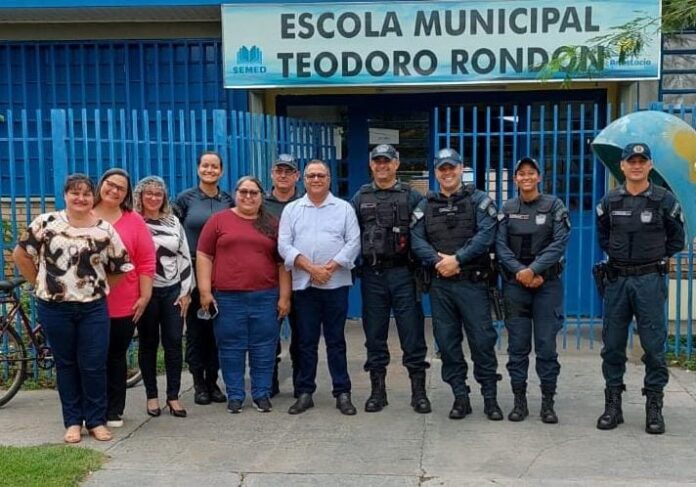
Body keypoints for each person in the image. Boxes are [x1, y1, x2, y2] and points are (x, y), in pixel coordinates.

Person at [13, 174, 133, 443]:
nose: (80, 198)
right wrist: (40, 283)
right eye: (74, 193)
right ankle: (72, 422)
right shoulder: (46, 223)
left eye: (86, 194)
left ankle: (96, 421)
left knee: (93, 364)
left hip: (93, 309)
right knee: (66, 364)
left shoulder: (104, 230)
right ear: (65, 195)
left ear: (93, 197)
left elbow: (121, 267)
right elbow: (20, 255)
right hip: (55, 308)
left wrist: (100, 287)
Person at [595, 142, 685, 434]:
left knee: (654, 348)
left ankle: (654, 408)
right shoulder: (610, 201)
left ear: (649, 165)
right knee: (612, 346)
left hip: (649, 280)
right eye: (630, 161)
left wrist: (651, 258)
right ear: (622, 166)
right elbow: (603, 236)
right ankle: (613, 405)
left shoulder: (664, 200)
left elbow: (677, 240)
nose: (636, 165)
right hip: (618, 280)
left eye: (641, 161)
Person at [411, 148, 503, 421]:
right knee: (448, 343)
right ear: (436, 172)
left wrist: (458, 260)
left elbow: (486, 235)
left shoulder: (479, 201)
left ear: (461, 168)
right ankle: (460, 397)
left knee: (482, 341)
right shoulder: (425, 205)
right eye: (442, 168)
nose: (447, 173)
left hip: (473, 284)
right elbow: (416, 239)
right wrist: (439, 262)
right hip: (441, 285)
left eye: (452, 167)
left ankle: (490, 398)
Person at [197, 176, 291, 413]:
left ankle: (261, 394)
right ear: (236, 194)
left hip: (265, 296)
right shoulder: (218, 221)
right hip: (228, 298)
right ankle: (235, 395)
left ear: (261, 196)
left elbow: (283, 263)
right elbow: (204, 256)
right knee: (230, 348)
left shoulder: (272, 223)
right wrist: (205, 291)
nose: (248, 197)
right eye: (243, 192)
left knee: (265, 348)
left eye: (254, 193)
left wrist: (284, 296)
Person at [350, 144, 430, 414]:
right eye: (377, 161)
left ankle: (418, 392)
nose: (382, 166)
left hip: (404, 274)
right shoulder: (360, 197)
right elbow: (349, 235)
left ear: (397, 164)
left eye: (387, 161)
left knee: (412, 333)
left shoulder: (412, 197)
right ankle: (377, 392)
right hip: (373, 275)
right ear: (371, 165)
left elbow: (426, 233)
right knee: (374, 334)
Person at [278, 159, 361, 416]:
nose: (316, 180)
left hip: (335, 284)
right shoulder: (292, 210)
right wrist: (311, 268)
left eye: (321, 175)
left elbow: (354, 242)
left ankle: (342, 392)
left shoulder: (344, 208)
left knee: (336, 340)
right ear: (304, 179)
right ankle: (305, 392)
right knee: (305, 341)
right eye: (311, 175)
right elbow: (284, 245)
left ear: (329, 179)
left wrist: (331, 267)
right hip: (304, 285)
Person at [496, 157, 570, 424]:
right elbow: (500, 245)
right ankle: (519, 402)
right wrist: (521, 272)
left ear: (539, 177)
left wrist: (535, 270)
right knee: (517, 346)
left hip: (546, 285)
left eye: (531, 173)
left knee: (546, 346)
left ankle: (548, 403)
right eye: (521, 174)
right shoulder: (507, 207)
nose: (526, 177)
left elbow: (559, 242)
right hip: (516, 286)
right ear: (515, 179)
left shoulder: (554, 205)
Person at [93, 168, 156, 428]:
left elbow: (146, 261)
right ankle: (92, 409)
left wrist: (145, 295)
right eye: (111, 184)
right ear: (101, 185)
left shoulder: (134, 221)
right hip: (88, 302)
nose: (114, 190)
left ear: (127, 194)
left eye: (121, 188)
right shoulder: (85, 216)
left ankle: (113, 410)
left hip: (124, 301)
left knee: (116, 356)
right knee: (91, 358)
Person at [174, 151, 234, 406]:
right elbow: (174, 233)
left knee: (218, 330)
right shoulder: (185, 199)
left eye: (214, 167)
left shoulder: (228, 200)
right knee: (197, 329)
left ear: (221, 171)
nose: (209, 170)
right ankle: (199, 383)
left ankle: (213, 381)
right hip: (195, 272)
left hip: (222, 273)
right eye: (205, 165)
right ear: (198, 168)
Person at [134, 176, 193, 418]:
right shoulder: (134, 222)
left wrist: (186, 292)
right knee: (148, 344)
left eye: (158, 194)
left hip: (172, 291)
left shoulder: (173, 222)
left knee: (173, 343)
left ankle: (173, 396)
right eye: (148, 193)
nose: (153, 198)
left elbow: (184, 256)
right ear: (140, 196)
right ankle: (151, 396)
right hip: (146, 292)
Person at [263, 153, 301, 397]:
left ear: (297, 176)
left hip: (301, 276)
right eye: (279, 170)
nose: (283, 175)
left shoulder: (306, 202)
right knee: (268, 334)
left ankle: (302, 382)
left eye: (288, 171)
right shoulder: (260, 203)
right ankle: (270, 382)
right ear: (272, 174)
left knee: (302, 334)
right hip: (268, 277)